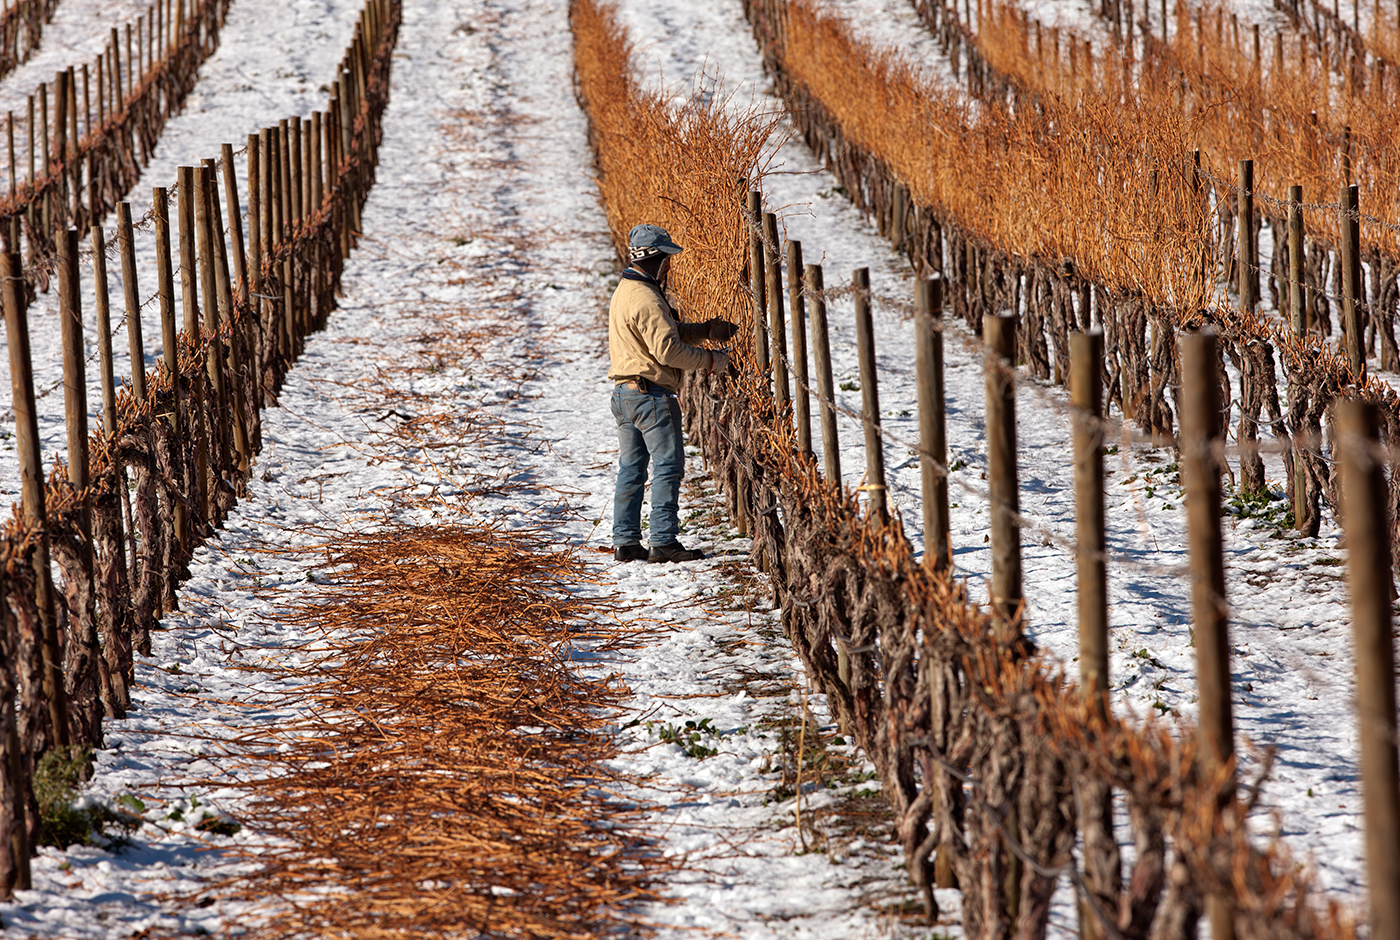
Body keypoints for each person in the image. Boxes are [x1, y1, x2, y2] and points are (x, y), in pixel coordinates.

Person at [608, 224, 737, 563]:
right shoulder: (648, 298)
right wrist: (712, 360)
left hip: (625, 394)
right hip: (651, 397)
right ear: (655, 259)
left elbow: (664, 333)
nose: (670, 264)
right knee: (668, 466)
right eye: (667, 258)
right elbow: (667, 351)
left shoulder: (627, 290)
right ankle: (663, 541)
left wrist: (704, 331)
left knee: (631, 468)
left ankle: (626, 542)